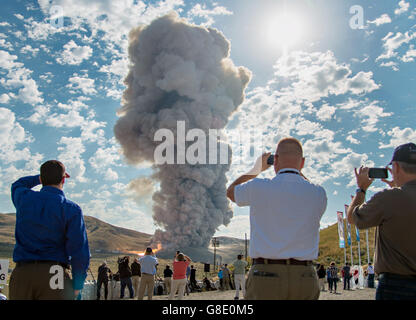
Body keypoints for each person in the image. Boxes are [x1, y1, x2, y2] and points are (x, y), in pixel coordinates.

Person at [227, 138, 327, 300]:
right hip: (305, 276)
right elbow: (305, 185)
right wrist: (295, 169)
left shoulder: (258, 186)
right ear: (303, 163)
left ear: (275, 160)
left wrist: (256, 169)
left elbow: (231, 192)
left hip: (265, 276)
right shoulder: (318, 193)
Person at [9, 160, 90, 300]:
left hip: (22, 274)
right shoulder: (71, 209)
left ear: (42, 179)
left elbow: (18, 184)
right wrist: (78, 284)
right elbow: (79, 250)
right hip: (55, 273)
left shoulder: (24, 199)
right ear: (63, 179)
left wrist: (38, 178)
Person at [347, 143, 416, 300]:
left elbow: (352, 218)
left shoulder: (389, 198)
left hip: (396, 286)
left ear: (396, 167)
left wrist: (361, 189)